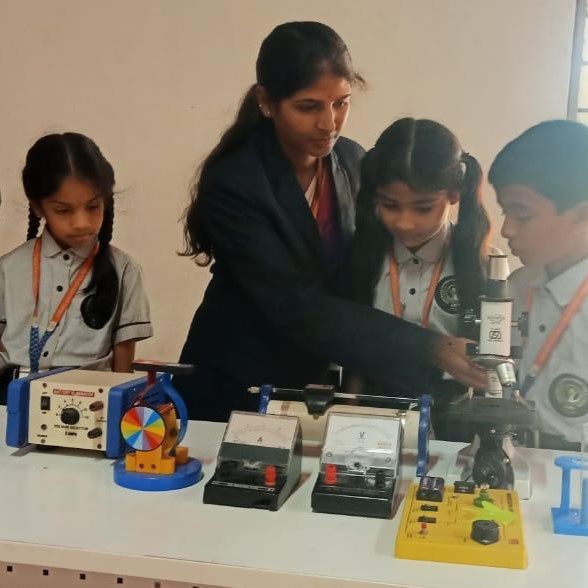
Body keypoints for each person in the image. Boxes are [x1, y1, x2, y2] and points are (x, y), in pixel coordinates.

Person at [176, 21, 486, 422]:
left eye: (341, 103)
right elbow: (294, 304)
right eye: (309, 107)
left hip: (318, 379)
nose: (329, 123)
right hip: (238, 374)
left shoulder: (352, 160)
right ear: (267, 102)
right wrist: (428, 346)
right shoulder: (236, 180)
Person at [346, 118, 496, 438]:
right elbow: (351, 347)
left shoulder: (484, 264)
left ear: (454, 193)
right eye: (390, 205)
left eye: (423, 208)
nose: (405, 222)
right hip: (372, 418)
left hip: (455, 423)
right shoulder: (360, 258)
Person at [0, 132, 152, 404]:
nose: (81, 222)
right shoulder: (8, 269)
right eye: (63, 210)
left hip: (90, 404)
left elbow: (123, 362)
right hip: (11, 400)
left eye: (92, 207)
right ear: (38, 207)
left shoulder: (124, 270)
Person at [489, 119, 588, 450]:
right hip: (508, 455)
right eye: (504, 212)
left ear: (581, 215)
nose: (507, 230)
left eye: (522, 215)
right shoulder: (515, 288)